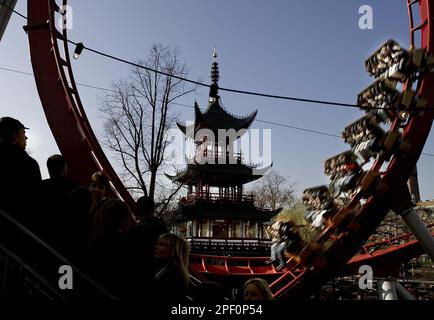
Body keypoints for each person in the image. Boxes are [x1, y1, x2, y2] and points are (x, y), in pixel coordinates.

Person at [0, 117, 41, 225]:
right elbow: (36, 200)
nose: (26, 137)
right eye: (23, 133)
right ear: (15, 136)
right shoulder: (28, 163)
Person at [125, 196, 168, 298]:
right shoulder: (163, 228)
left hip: (140, 278)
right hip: (161, 275)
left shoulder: (135, 231)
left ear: (138, 210)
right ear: (153, 209)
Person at [36, 154, 78, 245]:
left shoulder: (40, 187)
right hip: (69, 238)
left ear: (49, 169)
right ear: (64, 168)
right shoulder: (75, 188)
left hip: (43, 237)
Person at [152, 233, 189, 301]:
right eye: (157, 244)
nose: (156, 246)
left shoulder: (173, 275)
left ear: (173, 250)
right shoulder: (166, 268)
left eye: (161, 245)